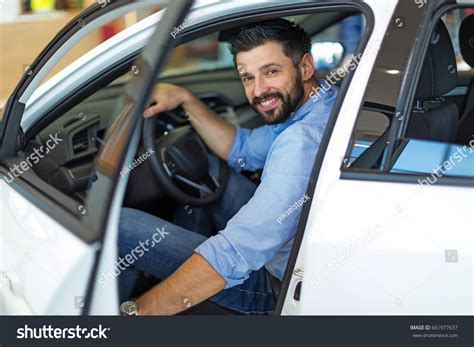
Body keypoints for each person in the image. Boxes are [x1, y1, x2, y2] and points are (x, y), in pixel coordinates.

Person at [118, 18, 338, 315]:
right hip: (288, 246)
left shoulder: (301, 140)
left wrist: (136, 312)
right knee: (202, 169)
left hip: (275, 286)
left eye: (271, 71)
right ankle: (177, 278)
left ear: (305, 67)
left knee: (120, 227)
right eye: (248, 77)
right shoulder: (312, 107)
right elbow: (242, 149)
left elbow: (235, 252)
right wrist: (185, 99)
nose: (259, 91)